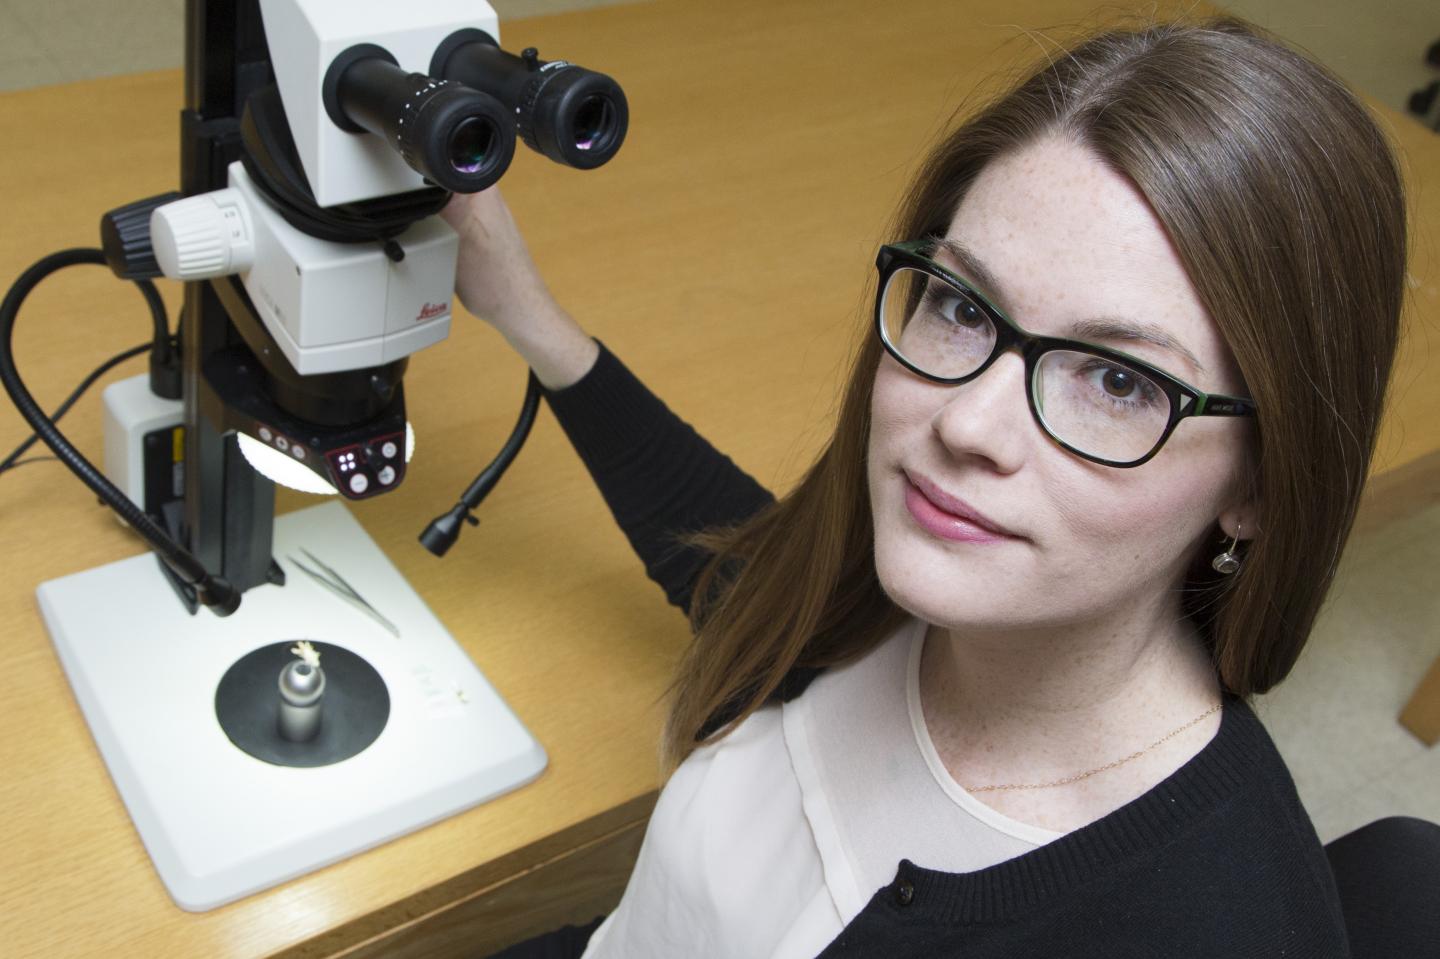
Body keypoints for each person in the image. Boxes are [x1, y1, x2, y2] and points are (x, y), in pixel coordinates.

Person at [447, 14, 1406, 959]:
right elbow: (756, 574)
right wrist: (529, 316)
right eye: (960, 303)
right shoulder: (903, 581)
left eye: (1119, 381)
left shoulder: (1205, 919)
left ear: (1264, 487)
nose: (966, 423)